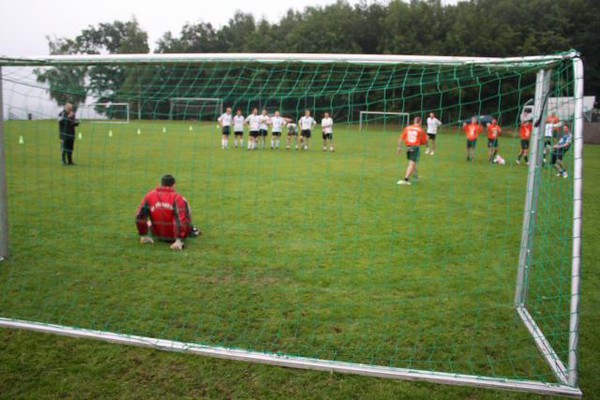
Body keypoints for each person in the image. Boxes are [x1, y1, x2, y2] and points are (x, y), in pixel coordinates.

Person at [135, 174, 200, 251]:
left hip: (158, 234)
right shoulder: (177, 197)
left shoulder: (149, 195)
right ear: (174, 185)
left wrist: (143, 235)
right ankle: (188, 232)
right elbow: (181, 220)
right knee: (184, 204)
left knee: (149, 221)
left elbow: (139, 216)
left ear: (160, 184)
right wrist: (179, 240)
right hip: (173, 237)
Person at [397, 117, 428, 186]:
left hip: (408, 147)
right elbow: (424, 142)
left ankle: (416, 176)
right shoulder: (420, 130)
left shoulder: (407, 128)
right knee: (412, 164)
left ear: (414, 121)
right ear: (420, 122)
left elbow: (401, 138)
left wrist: (399, 147)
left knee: (412, 162)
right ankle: (406, 180)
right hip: (415, 148)